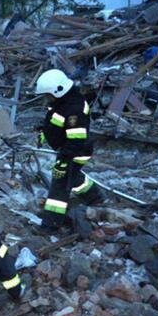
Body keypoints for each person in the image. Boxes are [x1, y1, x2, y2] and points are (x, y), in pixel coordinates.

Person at [34, 69, 102, 231]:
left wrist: (63, 162)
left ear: (58, 90)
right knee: (74, 176)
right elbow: (57, 126)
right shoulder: (62, 103)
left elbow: (76, 140)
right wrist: (45, 135)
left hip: (76, 151)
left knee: (59, 186)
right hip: (68, 149)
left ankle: (50, 224)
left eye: (48, 95)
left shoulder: (74, 109)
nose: (46, 98)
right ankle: (94, 197)